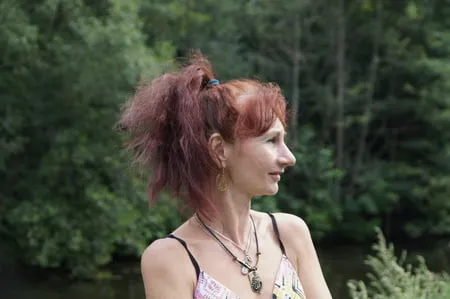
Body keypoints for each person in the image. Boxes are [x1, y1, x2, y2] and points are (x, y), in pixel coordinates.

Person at [119, 54, 332, 299]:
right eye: (271, 140)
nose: (289, 157)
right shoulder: (171, 258)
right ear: (219, 149)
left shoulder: (290, 233)